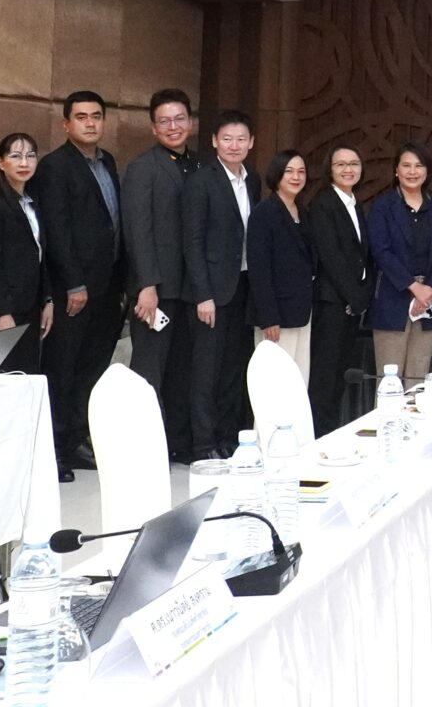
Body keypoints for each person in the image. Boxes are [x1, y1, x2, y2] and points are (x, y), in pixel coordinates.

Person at [29, 91, 124, 472]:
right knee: (63, 368)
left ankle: (77, 439)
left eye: (96, 116)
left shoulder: (108, 161)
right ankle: (54, 448)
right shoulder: (54, 167)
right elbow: (57, 230)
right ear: (66, 124)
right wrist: (73, 284)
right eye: (81, 117)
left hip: (107, 286)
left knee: (91, 367)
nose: (90, 123)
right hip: (74, 290)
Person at [122, 89, 203, 459]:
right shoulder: (143, 167)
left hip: (189, 289)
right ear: (153, 128)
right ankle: (144, 448)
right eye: (165, 121)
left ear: (191, 122)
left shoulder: (199, 165)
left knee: (181, 371)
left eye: (179, 119)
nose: (173, 127)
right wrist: (147, 285)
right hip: (156, 290)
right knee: (149, 371)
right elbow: (138, 231)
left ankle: (177, 444)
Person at [181, 110, 259, 458]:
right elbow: (192, 241)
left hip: (242, 285)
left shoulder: (252, 180)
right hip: (211, 292)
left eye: (241, 139)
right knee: (205, 371)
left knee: (233, 368)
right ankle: (203, 444)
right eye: (227, 139)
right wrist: (203, 294)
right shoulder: (201, 181)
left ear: (251, 142)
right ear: (214, 141)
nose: (234, 145)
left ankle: (228, 438)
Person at [303, 145, 372, 434]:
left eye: (353, 163)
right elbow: (331, 257)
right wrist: (355, 297)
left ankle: (330, 433)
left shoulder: (354, 202)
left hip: (349, 305)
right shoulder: (324, 203)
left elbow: (361, 257)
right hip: (332, 303)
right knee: (325, 376)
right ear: (329, 170)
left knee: (339, 373)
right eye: (340, 164)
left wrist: (361, 296)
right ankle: (319, 436)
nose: (348, 169)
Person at [0, 133, 52, 383]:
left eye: (30, 156)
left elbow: (40, 253)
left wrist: (47, 299)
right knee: (4, 378)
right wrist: (3, 312)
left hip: (30, 304)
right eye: (16, 156)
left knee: (26, 375)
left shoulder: (32, 201)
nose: (24, 163)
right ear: (0, 162)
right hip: (3, 308)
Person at [369, 143, 432, 379]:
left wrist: (428, 289)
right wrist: (414, 287)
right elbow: (381, 251)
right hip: (393, 296)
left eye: (418, 166)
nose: (412, 172)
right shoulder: (383, 206)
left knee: (418, 377)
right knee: (390, 378)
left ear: (427, 171)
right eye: (406, 166)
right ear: (396, 170)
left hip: (429, 299)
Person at [249, 149, 315, 381]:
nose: (296, 177)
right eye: (289, 171)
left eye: (301, 171)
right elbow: (259, 270)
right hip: (276, 316)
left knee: (299, 378)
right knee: (276, 382)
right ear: (277, 174)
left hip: (301, 312)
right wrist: (269, 318)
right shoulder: (264, 213)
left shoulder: (303, 211)